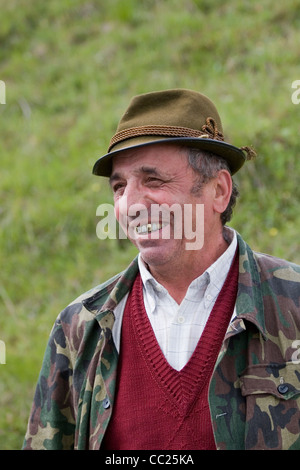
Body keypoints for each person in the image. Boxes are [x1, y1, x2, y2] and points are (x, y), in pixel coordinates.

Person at [23, 89, 300, 450]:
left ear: (218, 190)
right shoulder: (80, 327)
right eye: (119, 187)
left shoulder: (293, 303)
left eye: (153, 180)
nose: (130, 204)